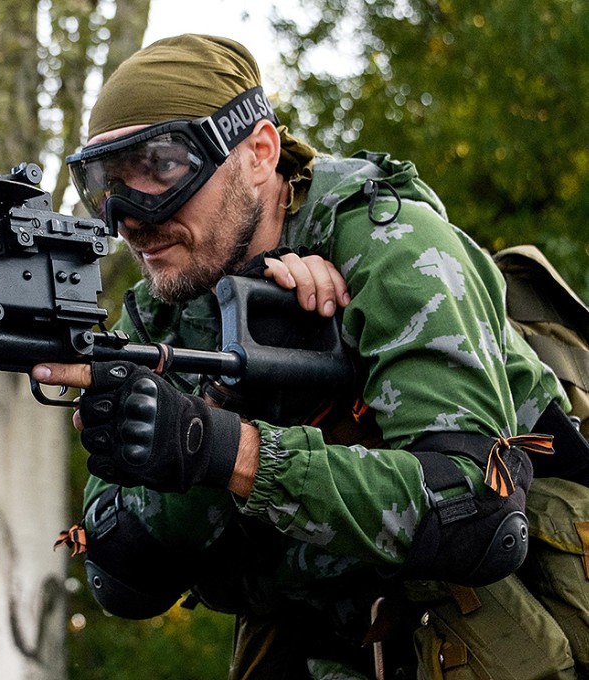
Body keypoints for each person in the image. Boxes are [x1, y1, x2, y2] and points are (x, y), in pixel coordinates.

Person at [32, 34, 589, 679]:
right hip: (325, 646)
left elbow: (480, 515)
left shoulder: (392, 246)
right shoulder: (162, 307)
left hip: (488, 634)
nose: (130, 218)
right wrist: (212, 410)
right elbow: (123, 579)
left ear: (259, 153)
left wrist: (227, 450)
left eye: (160, 168)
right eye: (105, 184)